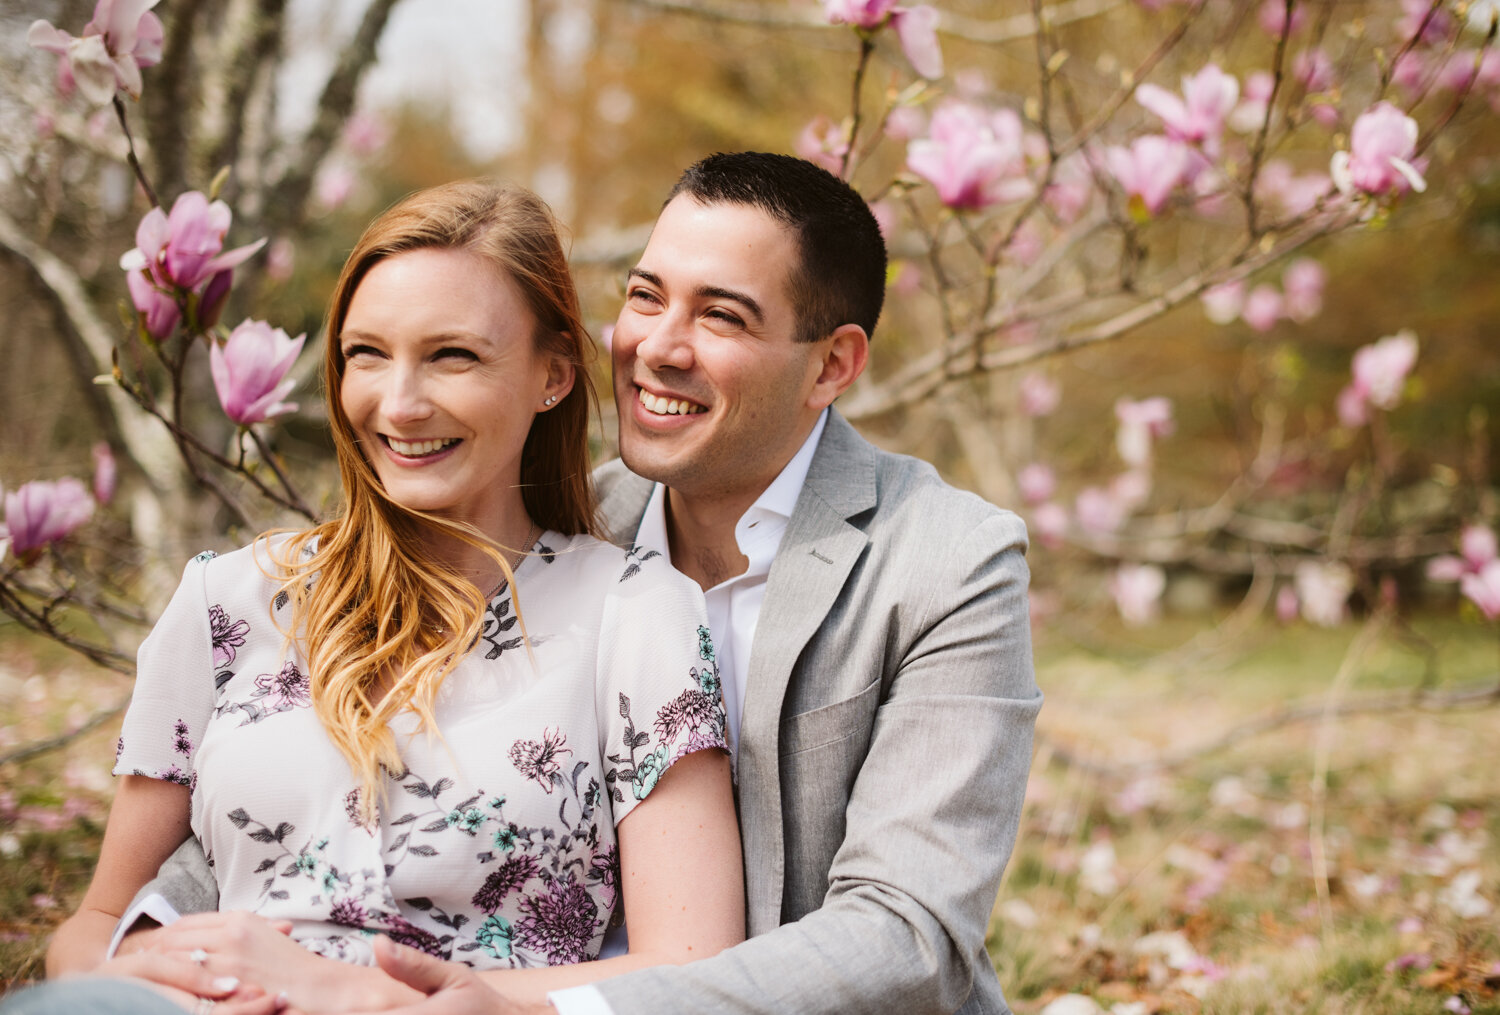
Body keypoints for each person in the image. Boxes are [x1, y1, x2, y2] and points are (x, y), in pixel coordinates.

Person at [84, 151, 1041, 1015]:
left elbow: (906, 935)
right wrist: (170, 946)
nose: (657, 346)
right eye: (645, 295)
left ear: (831, 363)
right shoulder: (562, 528)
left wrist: (519, 1010)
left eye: (720, 315)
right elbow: (297, 803)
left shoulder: (944, 560)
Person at [22, 180, 744, 1013]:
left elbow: (693, 966)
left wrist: (365, 995)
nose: (398, 404)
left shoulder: (635, 611)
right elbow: (98, 917)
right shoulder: (229, 600)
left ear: (551, 374)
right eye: (366, 353)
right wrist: (113, 978)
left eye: (453, 356)